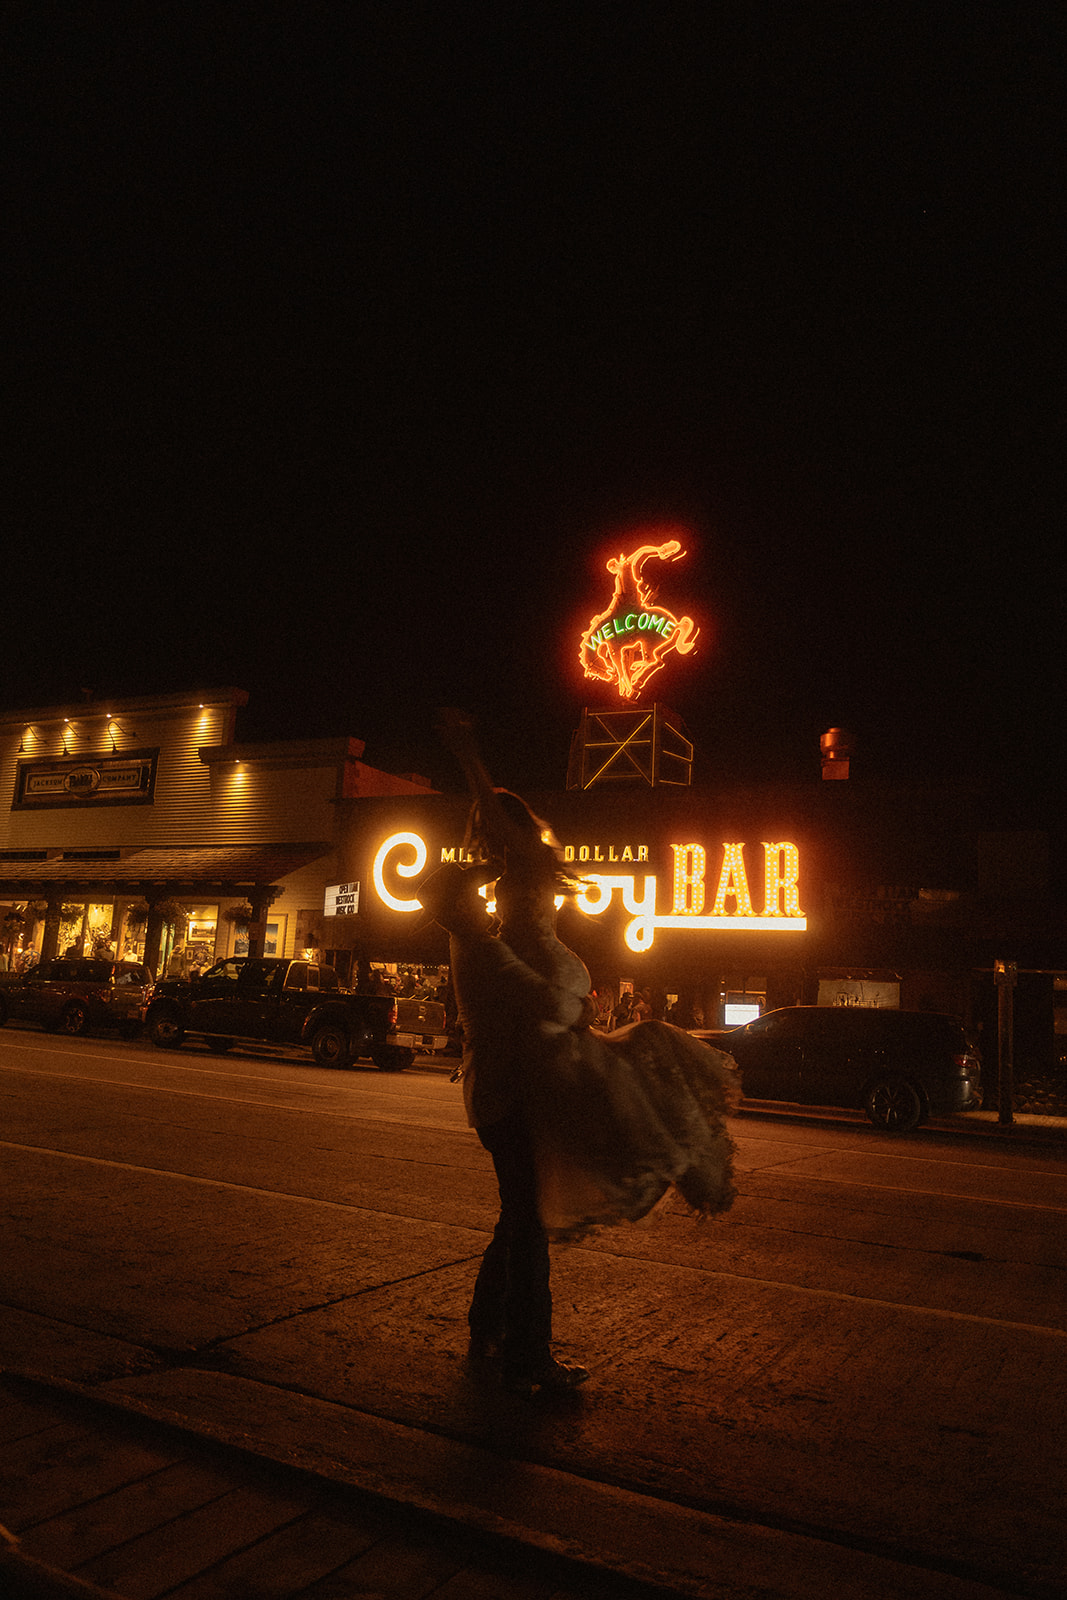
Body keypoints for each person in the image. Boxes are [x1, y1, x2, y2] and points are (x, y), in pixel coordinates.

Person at [431, 711, 740, 1390]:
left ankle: (490, 1330)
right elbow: (519, 989)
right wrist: (470, 759)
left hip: (523, 1079)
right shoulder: (494, 912)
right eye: (493, 827)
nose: (491, 832)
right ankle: (525, 1356)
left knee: (518, 1217)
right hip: (513, 1085)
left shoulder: (515, 886)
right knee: (527, 1220)